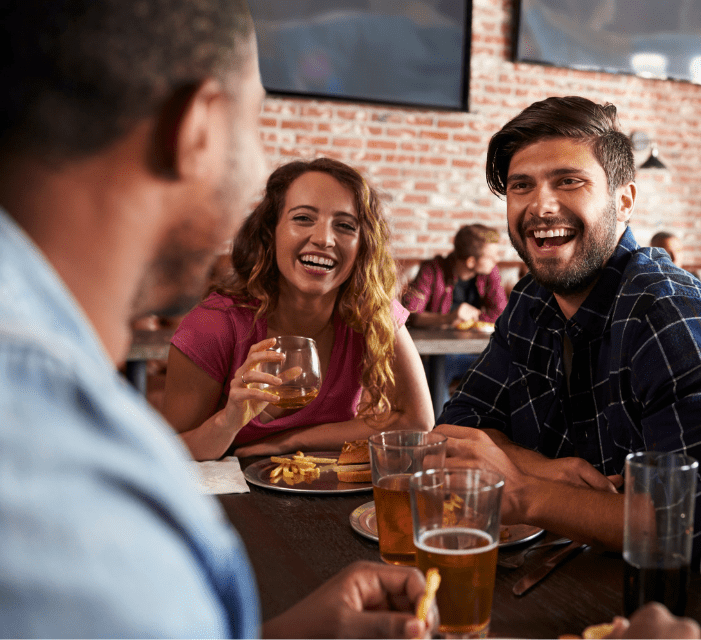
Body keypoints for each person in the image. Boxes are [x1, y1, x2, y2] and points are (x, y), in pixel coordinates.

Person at [0, 2, 437, 636]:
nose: (259, 168)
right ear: (198, 127)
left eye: (345, 224)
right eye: (255, 125)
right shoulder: (65, 478)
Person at [436, 96, 701, 563]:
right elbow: (454, 432)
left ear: (624, 201)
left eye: (569, 181)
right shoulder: (529, 301)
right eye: (522, 186)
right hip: (575, 581)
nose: (540, 205)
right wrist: (548, 473)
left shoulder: (669, 314)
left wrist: (525, 492)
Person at [161, 158, 435, 461]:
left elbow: (418, 422)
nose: (323, 239)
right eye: (303, 218)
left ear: (363, 246)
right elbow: (168, 454)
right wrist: (227, 422)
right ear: (270, 232)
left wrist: (289, 442)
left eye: (345, 225)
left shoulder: (371, 312)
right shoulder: (214, 324)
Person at [402, 223, 508, 409]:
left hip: (478, 353)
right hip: (440, 355)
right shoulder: (432, 270)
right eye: (492, 256)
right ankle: (440, 430)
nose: (497, 260)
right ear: (470, 262)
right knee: (437, 371)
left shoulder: (490, 273)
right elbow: (409, 314)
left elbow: (501, 313)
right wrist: (448, 318)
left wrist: (474, 318)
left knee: (507, 369)